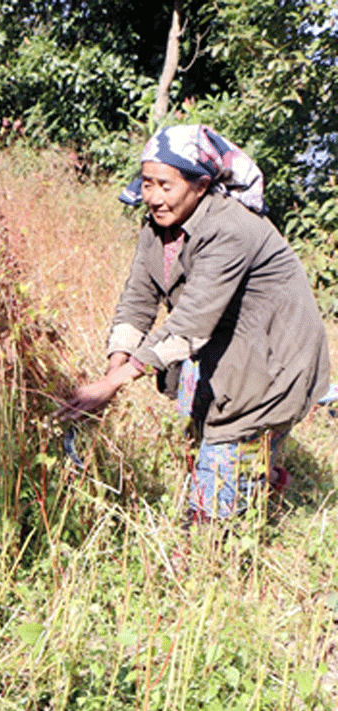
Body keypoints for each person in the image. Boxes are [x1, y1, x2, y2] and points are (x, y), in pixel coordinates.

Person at [56, 124, 330, 521]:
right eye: (147, 184)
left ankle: (230, 522)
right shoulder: (157, 226)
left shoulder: (232, 229)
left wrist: (111, 385)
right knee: (208, 447)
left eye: (166, 185)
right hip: (225, 352)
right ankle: (258, 481)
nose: (153, 197)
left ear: (201, 186)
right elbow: (138, 299)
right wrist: (112, 372)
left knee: (210, 508)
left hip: (272, 364)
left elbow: (191, 322)